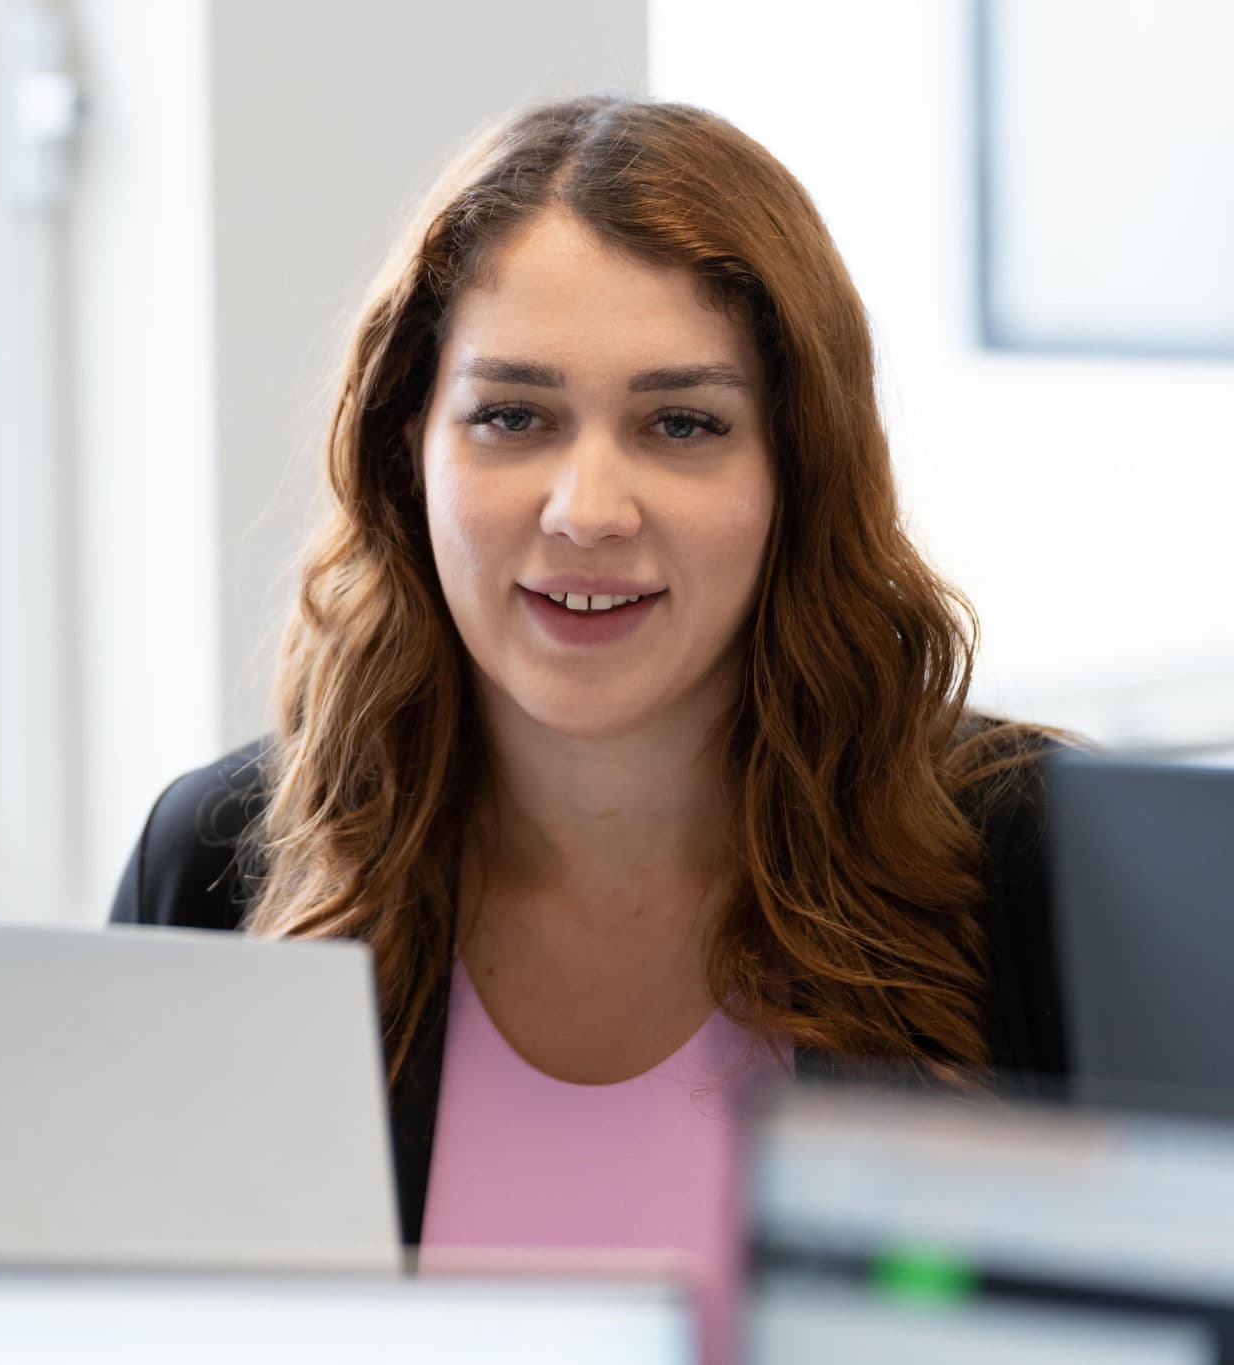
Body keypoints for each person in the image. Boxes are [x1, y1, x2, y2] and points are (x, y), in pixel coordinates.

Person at [109, 93, 1066, 1361]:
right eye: (513, 416)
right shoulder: (223, 861)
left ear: (798, 468)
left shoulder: (1023, 859)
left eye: (683, 424)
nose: (586, 509)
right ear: (410, 451)